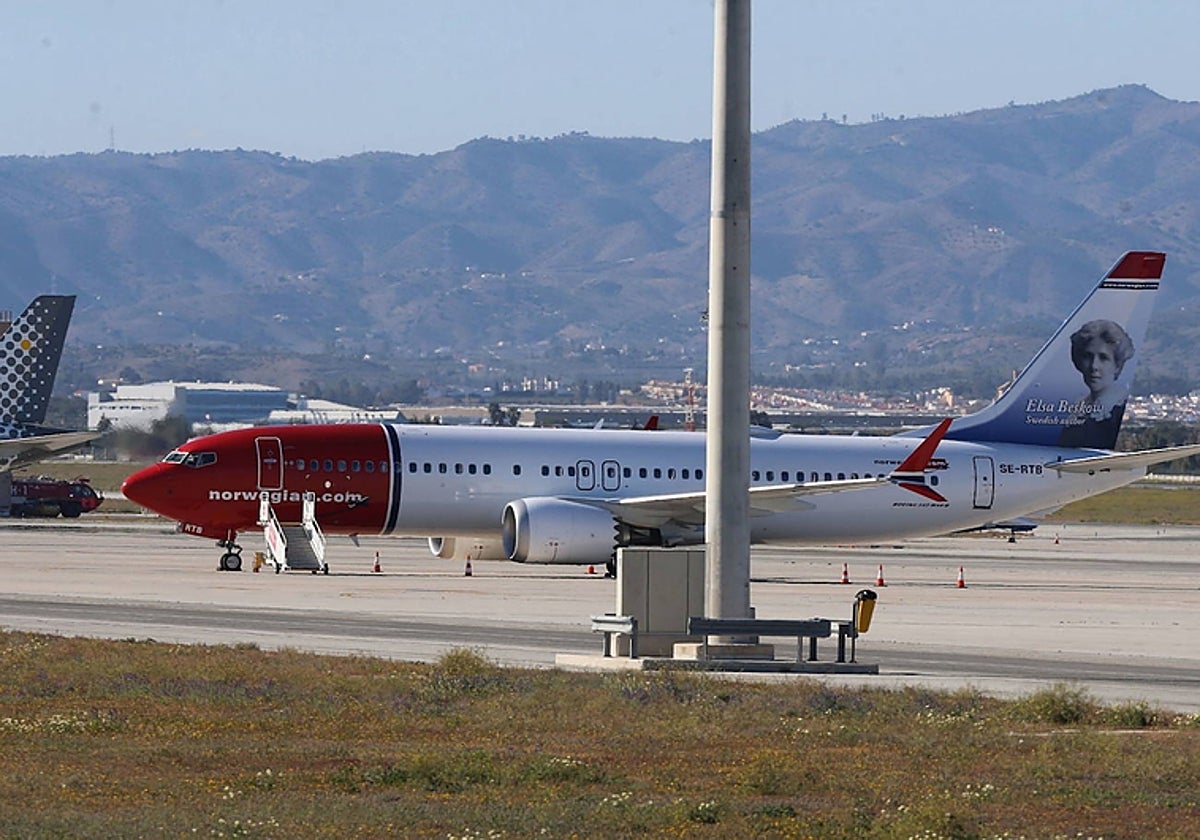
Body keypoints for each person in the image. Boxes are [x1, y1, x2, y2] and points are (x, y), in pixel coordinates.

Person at [1057, 319, 1133, 448]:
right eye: (1087, 356)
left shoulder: (1113, 412)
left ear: (1117, 365)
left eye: (1103, 358)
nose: (1094, 366)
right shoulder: (1079, 409)